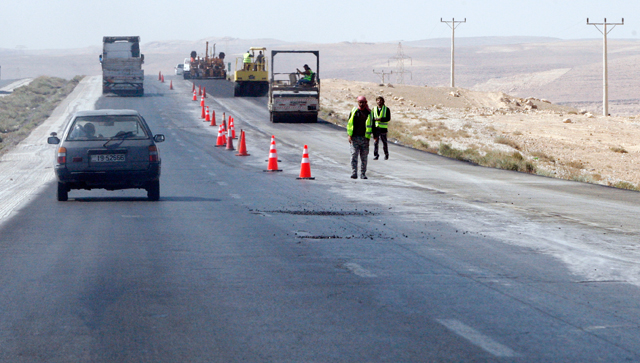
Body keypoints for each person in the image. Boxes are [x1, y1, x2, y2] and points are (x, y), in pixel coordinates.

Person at [347, 96, 373, 179]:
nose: (362, 104)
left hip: (365, 138)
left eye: (363, 102)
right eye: (360, 102)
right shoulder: (354, 111)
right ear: (358, 102)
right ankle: (354, 172)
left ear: (366, 103)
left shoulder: (369, 113)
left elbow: (373, 126)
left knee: (364, 158)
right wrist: (349, 135)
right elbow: (349, 124)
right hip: (355, 138)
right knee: (354, 155)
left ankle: (363, 174)